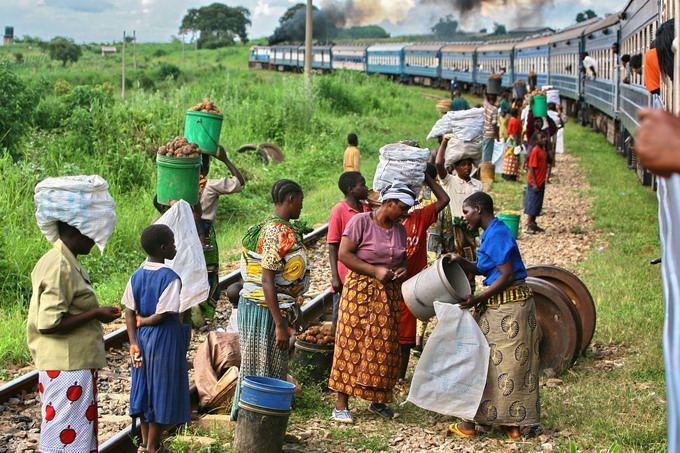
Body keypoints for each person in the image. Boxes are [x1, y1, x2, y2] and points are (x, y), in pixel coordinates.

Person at [445, 191, 539, 440]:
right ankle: (511, 425)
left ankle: (472, 424)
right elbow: (482, 268)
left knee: (483, 359)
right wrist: (459, 260)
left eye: (466, 212)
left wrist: (478, 299)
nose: (464, 217)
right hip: (508, 306)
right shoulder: (491, 233)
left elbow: (506, 275)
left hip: (509, 307)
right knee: (509, 364)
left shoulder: (496, 233)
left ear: (478, 209)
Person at [28, 221, 121, 453]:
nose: (94, 241)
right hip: (67, 366)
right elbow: (49, 323)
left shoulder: (60, 259)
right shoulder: (60, 265)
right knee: (66, 437)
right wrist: (96, 314)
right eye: (92, 236)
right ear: (78, 232)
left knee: (72, 433)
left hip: (68, 363)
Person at [328, 183, 414, 423]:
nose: (404, 214)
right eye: (402, 208)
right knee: (350, 342)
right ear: (389, 203)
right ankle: (341, 404)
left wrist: (401, 270)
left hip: (388, 292)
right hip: (360, 291)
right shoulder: (361, 222)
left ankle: (378, 401)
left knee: (385, 347)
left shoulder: (400, 229)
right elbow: (344, 254)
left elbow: (403, 259)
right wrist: (374, 271)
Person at [231, 179, 310, 420]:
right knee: (259, 371)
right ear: (290, 199)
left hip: (270, 309)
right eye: (300, 201)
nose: (301, 207)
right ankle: (251, 424)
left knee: (273, 371)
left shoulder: (276, 227)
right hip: (263, 311)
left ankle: (269, 425)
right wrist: (279, 325)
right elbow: (267, 280)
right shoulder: (277, 231)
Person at [122, 224, 190, 453]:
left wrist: (133, 341)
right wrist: (145, 321)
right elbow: (162, 315)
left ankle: (144, 444)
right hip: (163, 341)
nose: (175, 246)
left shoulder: (136, 276)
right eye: (172, 242)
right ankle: (153, 447)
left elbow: (128, 312)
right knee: (162, 390)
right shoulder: (171, 278)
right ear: (163, 248)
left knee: (145, 389)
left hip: (140, 342)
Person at [398, 168, 450, 381]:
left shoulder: (419, 217)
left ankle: (400, 378)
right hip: (389, 287)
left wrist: (427, 178)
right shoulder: (385, 221)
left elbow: (444, 199)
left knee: (405, 341)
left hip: (411, 289)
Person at [435, 135, 483, 289]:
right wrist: (444, 142)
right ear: (455, 167)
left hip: (470, 229)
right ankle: (452, 290)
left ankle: (469, 290)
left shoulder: (477, 185)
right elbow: (438, 163)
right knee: (453, 260)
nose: (467, 168)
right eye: (463, 165)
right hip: (453, 229)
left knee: (470, 260)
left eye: (469, 164)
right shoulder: (450, 181)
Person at [200, 145, 245, 301]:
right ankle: (205, 305)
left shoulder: (180, 186)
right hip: (205, 232)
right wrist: (225, 159)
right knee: (208, 269)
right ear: (205, 168)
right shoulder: (210, 186)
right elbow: (239, 182)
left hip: (184, 232)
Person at [327, 171, 370, 331]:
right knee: (341, 320)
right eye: (362, 185)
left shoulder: (366, 208)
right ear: (351, 189)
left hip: (365, 274)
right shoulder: (339, 210)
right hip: (346, 275)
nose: (366, 188)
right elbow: (332, 244)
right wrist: (335, 276)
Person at [525, 131, 549, 233]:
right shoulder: (535, 151)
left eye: (544, 137)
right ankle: (529, 224)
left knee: (538, 203)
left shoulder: (542, 150)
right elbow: (532, 168)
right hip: (534, 182)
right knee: (532, 203)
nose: (544, 139)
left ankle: (534, 223)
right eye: (541, 138)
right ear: (536, 141)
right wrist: (534, 184)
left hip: (540, 180)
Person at [502, 108, 522, 181]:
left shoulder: (510, 120)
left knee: (508, 157)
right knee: (514, 158)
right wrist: (518, 142)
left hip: (509, 140)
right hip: (514, 140)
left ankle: (506, 174)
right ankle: (512, 175)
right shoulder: (516, 121)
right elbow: (515, 132)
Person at [482, 93, 499, 162]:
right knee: (487, 155)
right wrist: (497, 136)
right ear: (495, 99)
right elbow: (494, 124)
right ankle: (484, 169)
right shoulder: (494, 109)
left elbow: (485, 97)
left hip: (484, 132)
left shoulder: (485, 105)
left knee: (484, 151)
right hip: (490, 134)